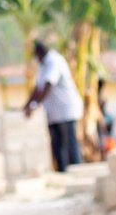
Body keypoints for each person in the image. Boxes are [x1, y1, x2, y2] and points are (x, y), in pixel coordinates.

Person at [24, 40, 83, 172]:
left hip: (66, 109)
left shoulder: (54, 61)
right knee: (57, 145)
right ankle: (63, 174)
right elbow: (37, 88)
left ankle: (79, 174)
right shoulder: (43, 66)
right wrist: (26, 105)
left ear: (40, 52)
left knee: (69, 144)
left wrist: (34, 105)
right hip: (53, 113)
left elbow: (48, 85)